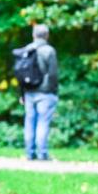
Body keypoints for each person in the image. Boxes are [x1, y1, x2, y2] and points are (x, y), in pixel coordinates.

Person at [19, 24, 59, 161]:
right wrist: (53, 91)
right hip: (45, 92)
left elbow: (20, 74)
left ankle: (29, 154)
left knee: (29, 121)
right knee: (43, 122)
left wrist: (21, 93)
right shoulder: (49, 51)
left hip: (29, 92)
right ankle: (42, 154)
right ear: (47, 35)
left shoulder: (26, 50)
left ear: (33, 35)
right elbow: (52, 74)